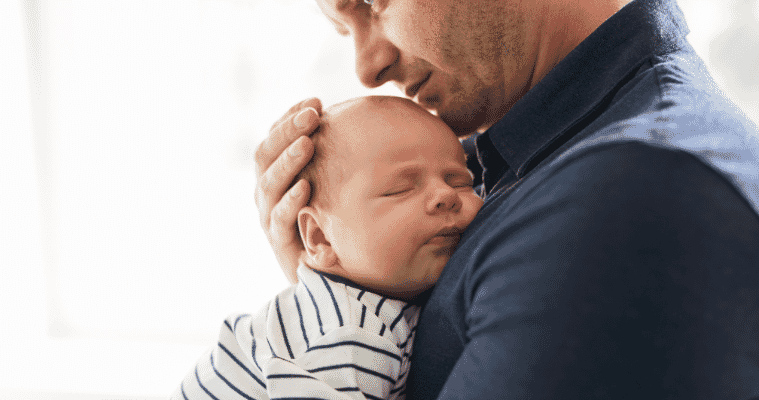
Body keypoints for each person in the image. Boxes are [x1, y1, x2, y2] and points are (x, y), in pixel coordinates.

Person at [255, 0, 759, 398]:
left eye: (372, 2)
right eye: (345, 29)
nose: (369, 66)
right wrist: (342, 291)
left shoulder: (622, 194)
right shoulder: (521, 164)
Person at [175, 96, 483, 399]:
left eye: (460, 181)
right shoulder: (351, 333)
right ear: (320, 237)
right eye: (400, 189)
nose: (446, 194)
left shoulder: (367, 309)